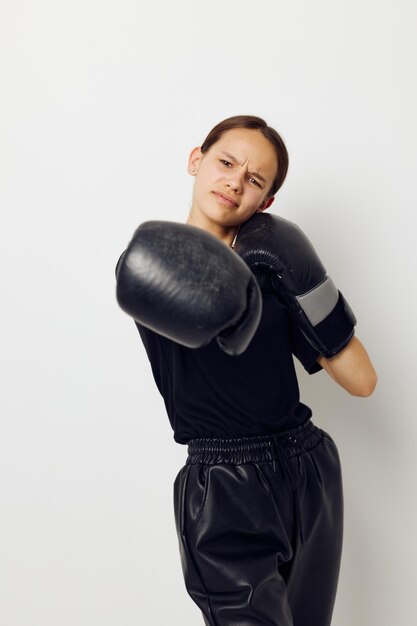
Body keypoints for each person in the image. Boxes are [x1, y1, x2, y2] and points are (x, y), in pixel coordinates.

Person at [115, 115, 377, 626]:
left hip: (309, 469)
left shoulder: (274, 260)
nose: (235, 181)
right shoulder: (153, 261)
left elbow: (362, 382)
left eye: (255, 179)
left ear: (266, 202)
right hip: (225, 488)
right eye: (226, 162)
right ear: (197, 160)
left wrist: (307, 275)